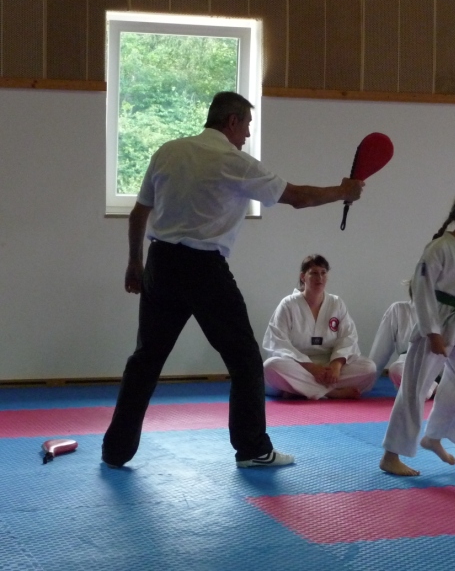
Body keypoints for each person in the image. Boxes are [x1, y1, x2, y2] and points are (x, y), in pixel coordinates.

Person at [102, 91, 364, 469]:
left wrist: (134, 262)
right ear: (232, 122)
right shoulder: (234, 162)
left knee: (145, 360)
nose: (247, 136)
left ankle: (115, 450)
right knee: (244, 360)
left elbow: (138, 213)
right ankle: (253, 449)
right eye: (246, 127)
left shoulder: (168, 152)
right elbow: (297, 197)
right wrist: (343, 191)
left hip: (161, 263)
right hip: (204, 269)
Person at [380, 187, 455, 476]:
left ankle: (434, 435)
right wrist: (432, 333)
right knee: (414, 390)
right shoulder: (439, 248)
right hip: (437, 326)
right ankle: (391, 456)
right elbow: (421, 292)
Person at [262, 255, 378, 399]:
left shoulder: (336, 303)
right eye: (314, 273)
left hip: (329, 364)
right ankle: (331, 393)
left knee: (369, 368)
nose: (320, 278)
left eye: (323, 273)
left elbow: (348, 337)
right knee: (271, 367)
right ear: (303, 277)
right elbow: (278, 342)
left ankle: (299, 389)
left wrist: (336, 366)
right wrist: (311, 367)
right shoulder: (288, 304)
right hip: (298, 365)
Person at [367, 281, 420, 390]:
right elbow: (381, 349)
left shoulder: (447, 311)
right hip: (410, 364)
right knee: (397, 369)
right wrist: (368, 381)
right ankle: (433, 388)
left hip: (441, 366)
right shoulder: (399, 309)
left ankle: (429, 389)